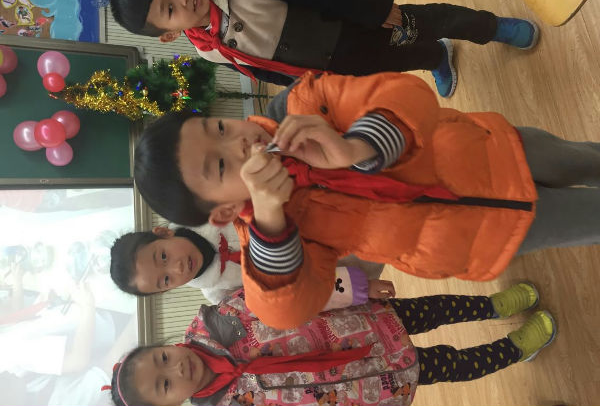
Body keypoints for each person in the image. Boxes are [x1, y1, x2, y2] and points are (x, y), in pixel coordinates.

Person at [133, 71, 600, 329]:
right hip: (481, 238)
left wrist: (357, 147)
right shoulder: (285, 238)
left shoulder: (304, 105)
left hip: (494, 150)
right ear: (223, 212)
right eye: (219, 165)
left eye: (218, 127)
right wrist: (271, 221)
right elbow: (284, 310)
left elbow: (407, 93)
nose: (236, 141)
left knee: (582, 159)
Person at [109, 0, 539, 97]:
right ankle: (436, 55)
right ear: (169, 34)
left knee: (430, 20)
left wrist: (376, 7)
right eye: (169, 8)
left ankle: (491, 27)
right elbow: (263, 70)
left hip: (355, 21)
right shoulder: (208, 47)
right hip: (338, 64)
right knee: (397, 63)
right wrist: (311, 88)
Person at [106, 281, 556, 406]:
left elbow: (290, 293)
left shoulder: (218, 319)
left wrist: (352, 288)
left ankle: (493, 305)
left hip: (362, 323)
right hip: (369, 383)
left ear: (164, 345)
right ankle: (516, 348)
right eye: (164, 385)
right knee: (449, 366)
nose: (176, 368)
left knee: (436, 310)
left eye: (162, 358)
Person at [110, 225, 384, 303]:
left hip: (338, 219)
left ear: (162, 232)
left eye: (163, 257)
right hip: (340, 269)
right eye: (165, 280)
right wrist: (357, 287)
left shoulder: (211, 209)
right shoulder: (221, 295)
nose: (177, 268)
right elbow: (291, 296)